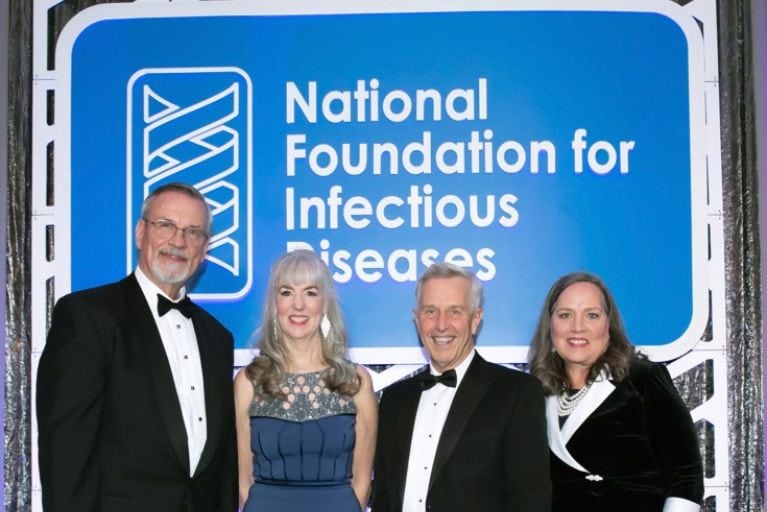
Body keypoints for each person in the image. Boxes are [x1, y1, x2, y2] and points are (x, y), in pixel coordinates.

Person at [36, 182, 237, 511]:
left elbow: (223, 466)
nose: (178, 241)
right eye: (166, 225)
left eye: (193, 232)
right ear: (140, 233)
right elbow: (66, 453)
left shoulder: (217, 338)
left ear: (204, 251)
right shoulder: (88, 317)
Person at [372, 262, 551, 512]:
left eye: (455, 311)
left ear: (475, 319)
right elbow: (382, 497)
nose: (441, 324)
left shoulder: (517, 393)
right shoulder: (394, 399)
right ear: (417, 319)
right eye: (430, 311)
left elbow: (530, 500)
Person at [527, 272, 704, 511]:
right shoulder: (534, 394)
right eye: (565, 315)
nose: (577, 327)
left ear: (608, 325)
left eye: (592, 315)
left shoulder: (643, 379)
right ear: (550, 326)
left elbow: (685, 477)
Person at [234, 249, 377, 512]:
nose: (297, 305)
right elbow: (244, 481)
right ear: (274, 304)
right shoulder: (248, 382)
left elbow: (362, 480)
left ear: (324, 305)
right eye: (287, 292)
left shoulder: (355, 382)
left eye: (310, 293)